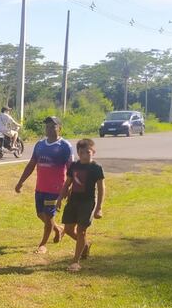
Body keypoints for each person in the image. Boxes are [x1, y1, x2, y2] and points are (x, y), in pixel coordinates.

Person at [15, 116, 73, 254]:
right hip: (40, 187)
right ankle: (58, 229)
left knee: (49, 217)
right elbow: (31, 164)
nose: (49, 129)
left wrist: (69, 188)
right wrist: (20, 182)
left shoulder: (65, 146)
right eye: (47, 126)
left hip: (55, 189)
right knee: (40, 214)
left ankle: (42, 245)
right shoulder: (40, 145)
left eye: (52, 126)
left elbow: (71, 169)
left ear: (59, 128)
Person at [56, 138, 105, 272]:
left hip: (87, 202)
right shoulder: (74, 166)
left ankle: (75, 262)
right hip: (73, 201)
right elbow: (67, 183)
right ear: (78, 153)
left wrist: (99, 208)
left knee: (82, 230)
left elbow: (101, 188)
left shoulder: (96, 168)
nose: (85, 155)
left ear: (93, 152)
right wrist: (60, 198)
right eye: (82, 152)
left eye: (88, 152)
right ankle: (85, 245)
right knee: (69, 229)